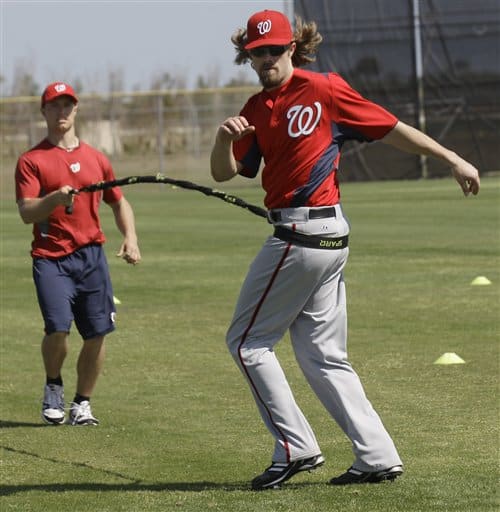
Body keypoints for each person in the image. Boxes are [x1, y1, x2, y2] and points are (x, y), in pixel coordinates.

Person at [210, 10, 480, 490]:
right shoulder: (254, 109)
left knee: (248, 343)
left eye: (275, 49)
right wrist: (221, 140)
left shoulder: (324, 89)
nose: (267, 58)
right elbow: (225, 173)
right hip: (325, 238)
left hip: (303, 236)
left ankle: (296, 447)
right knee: (322, 353)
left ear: (293, 48)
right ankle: (376, 456)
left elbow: (391, 127)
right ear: (247, 55)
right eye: (258, 52)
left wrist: (451, 157)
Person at [15, 82, 141, 426]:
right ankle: (53, 384)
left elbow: (119, 201)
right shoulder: (31, 161)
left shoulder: (96, 159)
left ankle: (82, 404)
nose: (61, 112)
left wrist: (130, 237)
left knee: (97, 333)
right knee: (57, 328)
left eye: (67, 106)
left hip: (91, 257)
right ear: (43, 111)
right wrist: (55, 199)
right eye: (54, 106)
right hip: (51, 257)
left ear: (76, 109)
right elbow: (27, 211)